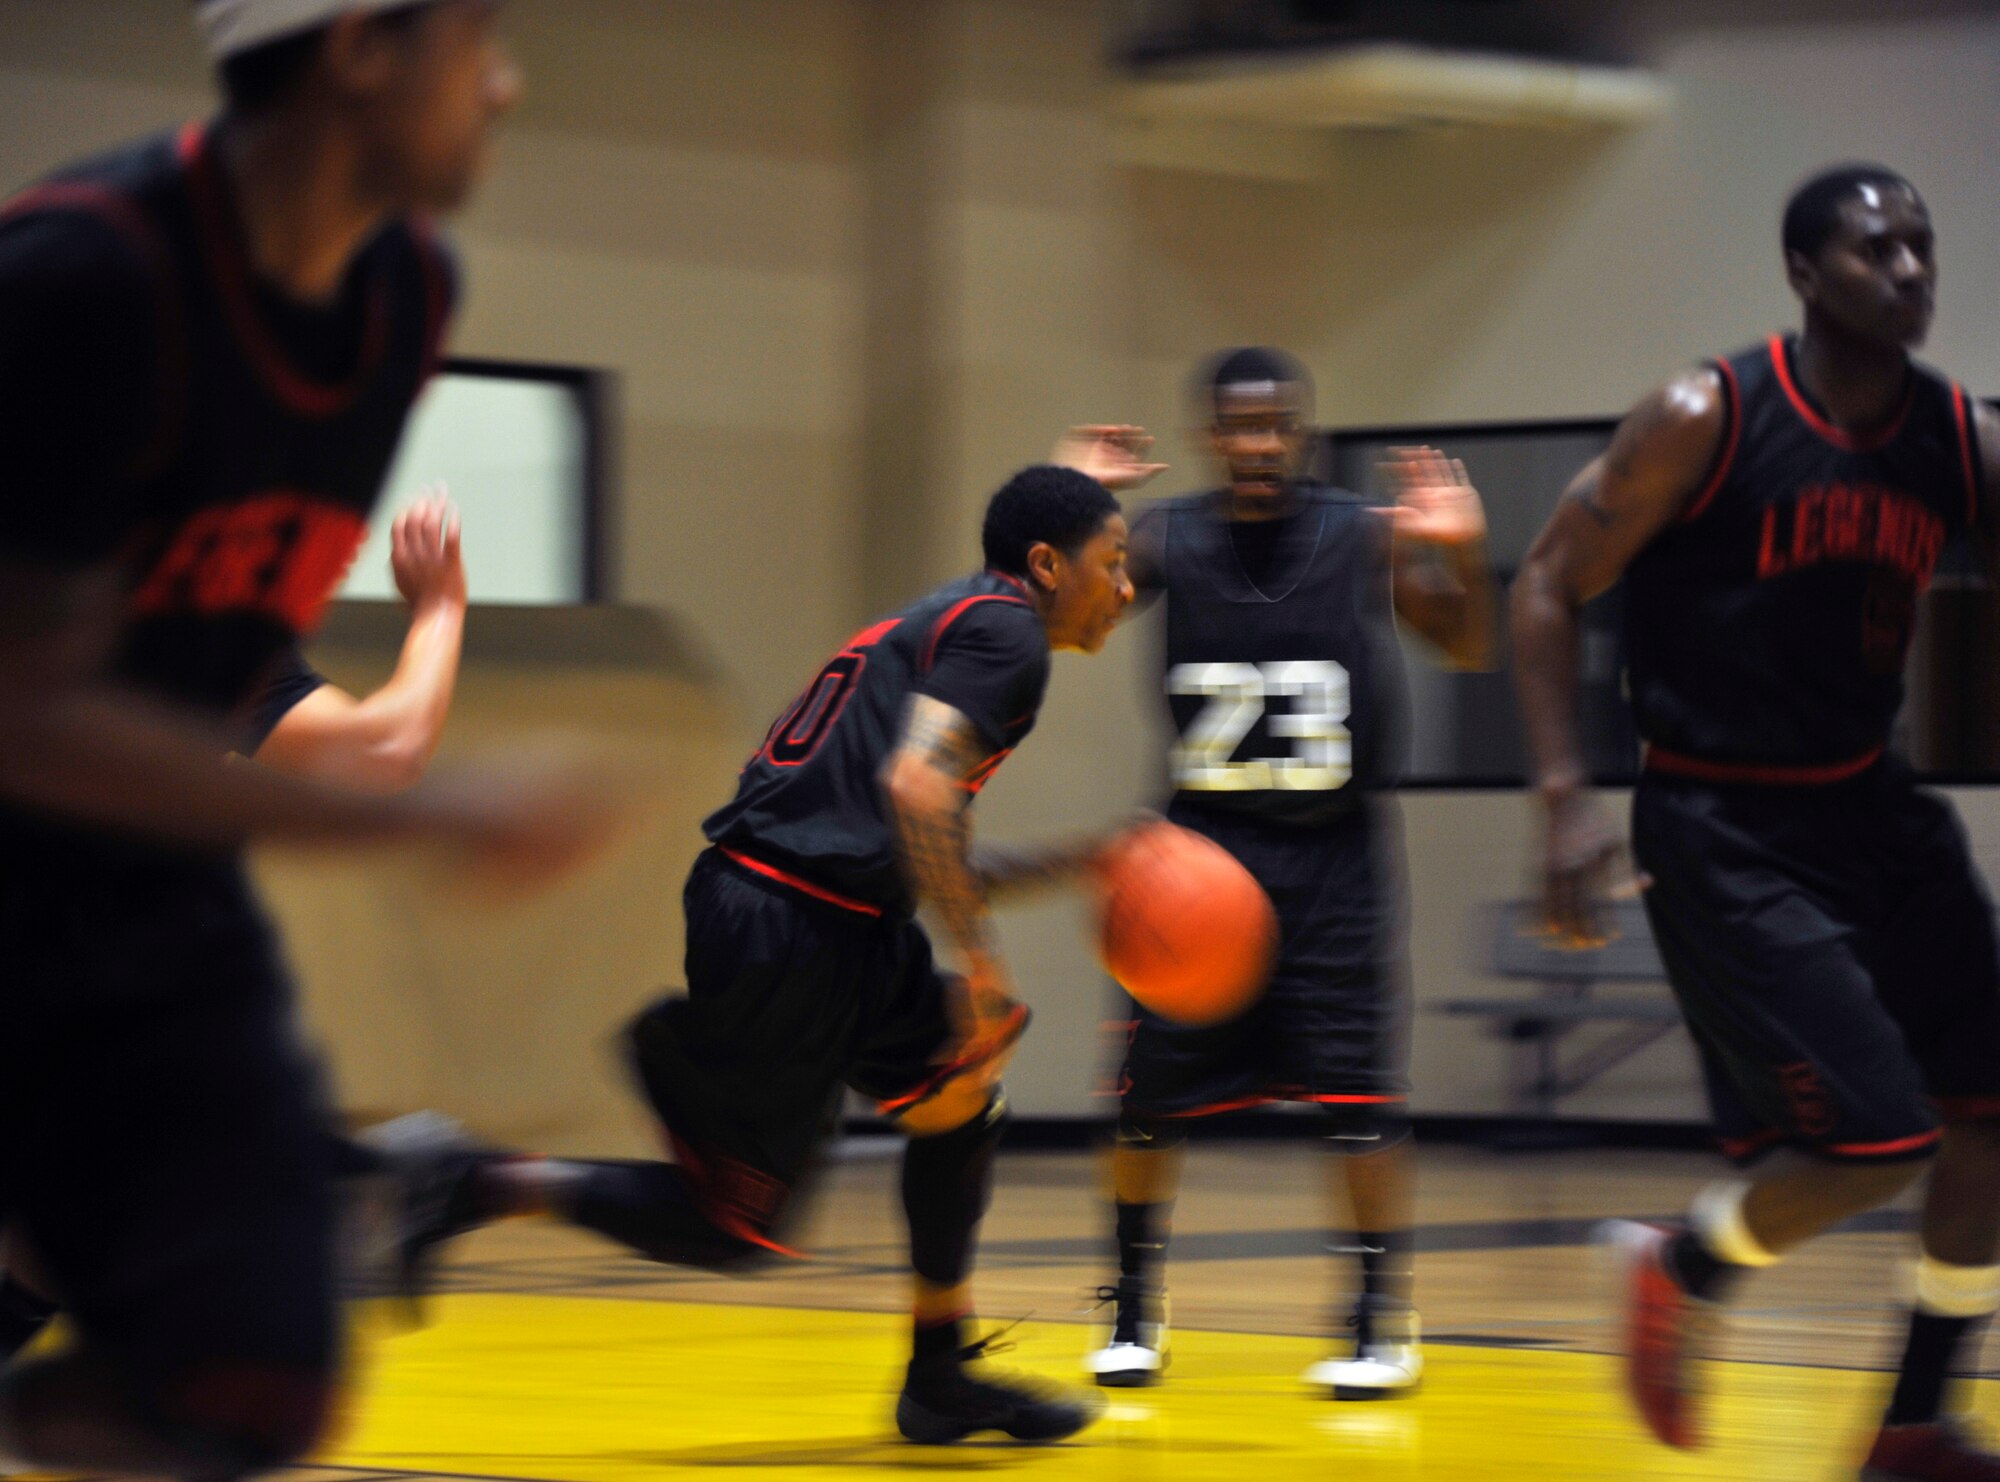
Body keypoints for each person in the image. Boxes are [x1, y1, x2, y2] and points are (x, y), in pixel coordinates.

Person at [0, 5, 614, 1476]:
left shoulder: (401, 296)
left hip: (141, 895)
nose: (508, 89)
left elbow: (331, 734)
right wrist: (443, 816)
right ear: (359, 48)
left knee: (250, 1383)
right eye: (482, 43)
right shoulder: (89, 277)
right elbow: (29, 714)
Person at [405, 438, 1163, 1445]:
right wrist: (982, 962)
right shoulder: (1005, 639)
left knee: (959, 1088)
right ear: (1043, 566)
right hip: (785, 923)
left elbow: (922, 844)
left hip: (832, 915)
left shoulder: (959, 617)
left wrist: (1084, 858)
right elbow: (916, 791)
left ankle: (937, 1375)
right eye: (1110, 562)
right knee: (732, 1227)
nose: (1125, 584)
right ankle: (476, 1179)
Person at [1512, 164, 2000, 1478]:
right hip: (1726, 821)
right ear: (1805, 274)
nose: (1910, 271)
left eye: (1923, 247)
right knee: (1873, 1140)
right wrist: (1565, 797)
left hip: (1874, 804)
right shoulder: (1706, 415)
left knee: (1989, 1114)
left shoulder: (1956, 437)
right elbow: (1551, 584)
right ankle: (1683, 1266)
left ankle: (1913, 1421)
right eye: (1876, 249)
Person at [1083, 349, 1495, 1397]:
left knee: (1358, 1102)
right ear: (1209, 437)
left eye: (1276, 425)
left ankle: (1376, 1321)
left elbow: (1466, 643)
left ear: (1300, 432)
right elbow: (1058, 617)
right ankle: (1132, 1307)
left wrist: (1466, 551)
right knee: (1143, 1101)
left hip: (1332, 856)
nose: (1258, 443)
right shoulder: (1168, 536)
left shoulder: (1362, 534)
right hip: (1196, 856)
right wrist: (1076, 503)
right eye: (1238, 426)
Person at [0, 489, 473, 1365]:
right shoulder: (176, 582)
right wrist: (440, 609)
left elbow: (379, 755)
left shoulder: (178, 583)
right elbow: (384, 754)